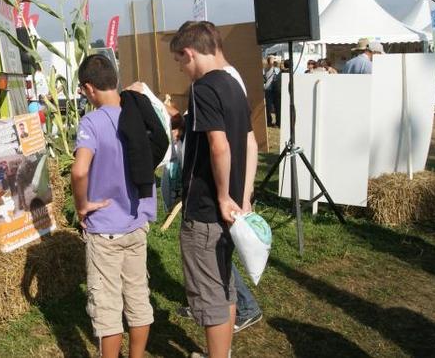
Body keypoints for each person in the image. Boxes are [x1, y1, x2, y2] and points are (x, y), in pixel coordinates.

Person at [170, 21, 258, 358]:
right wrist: (244, 196)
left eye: (180, 61)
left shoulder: (203, 88)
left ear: (190, 53)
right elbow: (250, 144)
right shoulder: (234, 84)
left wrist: (222, 196)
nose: (181, 68)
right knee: (224, 286)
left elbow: (219, 146)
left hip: (207, 209)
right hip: (231, 209)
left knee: (209, 296)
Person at [71, 54, 155, 358]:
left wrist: (83, 206)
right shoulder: (135, 114)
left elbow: (79, 170)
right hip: (136, 222)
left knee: (107, 308)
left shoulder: (91, 122)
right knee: (138, 299)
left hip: (105, 228)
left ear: (89, 88)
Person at [262, 56, 280, 127]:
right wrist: (271, 61)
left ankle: (278, 122)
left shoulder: (277, 68)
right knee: (268, 107)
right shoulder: (267, 68)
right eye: (272, 59)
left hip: (276, 90)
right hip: (268, 89)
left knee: (277, 106)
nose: (274, 60)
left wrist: (277, 61)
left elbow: (280, 65)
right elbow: (270, 65)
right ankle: (269, 122)